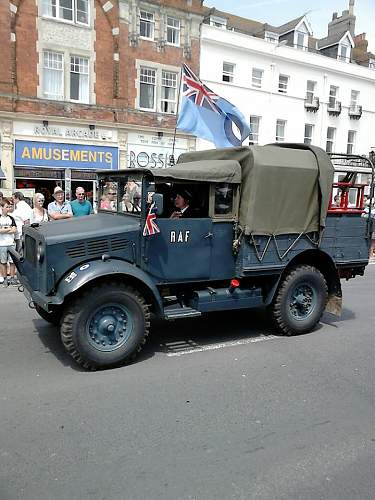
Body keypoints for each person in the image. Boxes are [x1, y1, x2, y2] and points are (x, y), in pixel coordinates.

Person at [0, 198, 17, 287]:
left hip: (11, 243)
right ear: (2, 207)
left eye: (9, 207)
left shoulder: (11, 218)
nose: (8, 209)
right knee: (3, 262)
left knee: (12, 261)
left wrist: (4, 230)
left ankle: (12, 277)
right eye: (7, 207)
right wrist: (8, 229)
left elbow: (14, 230)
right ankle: (5, 279)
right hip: (2, 244)